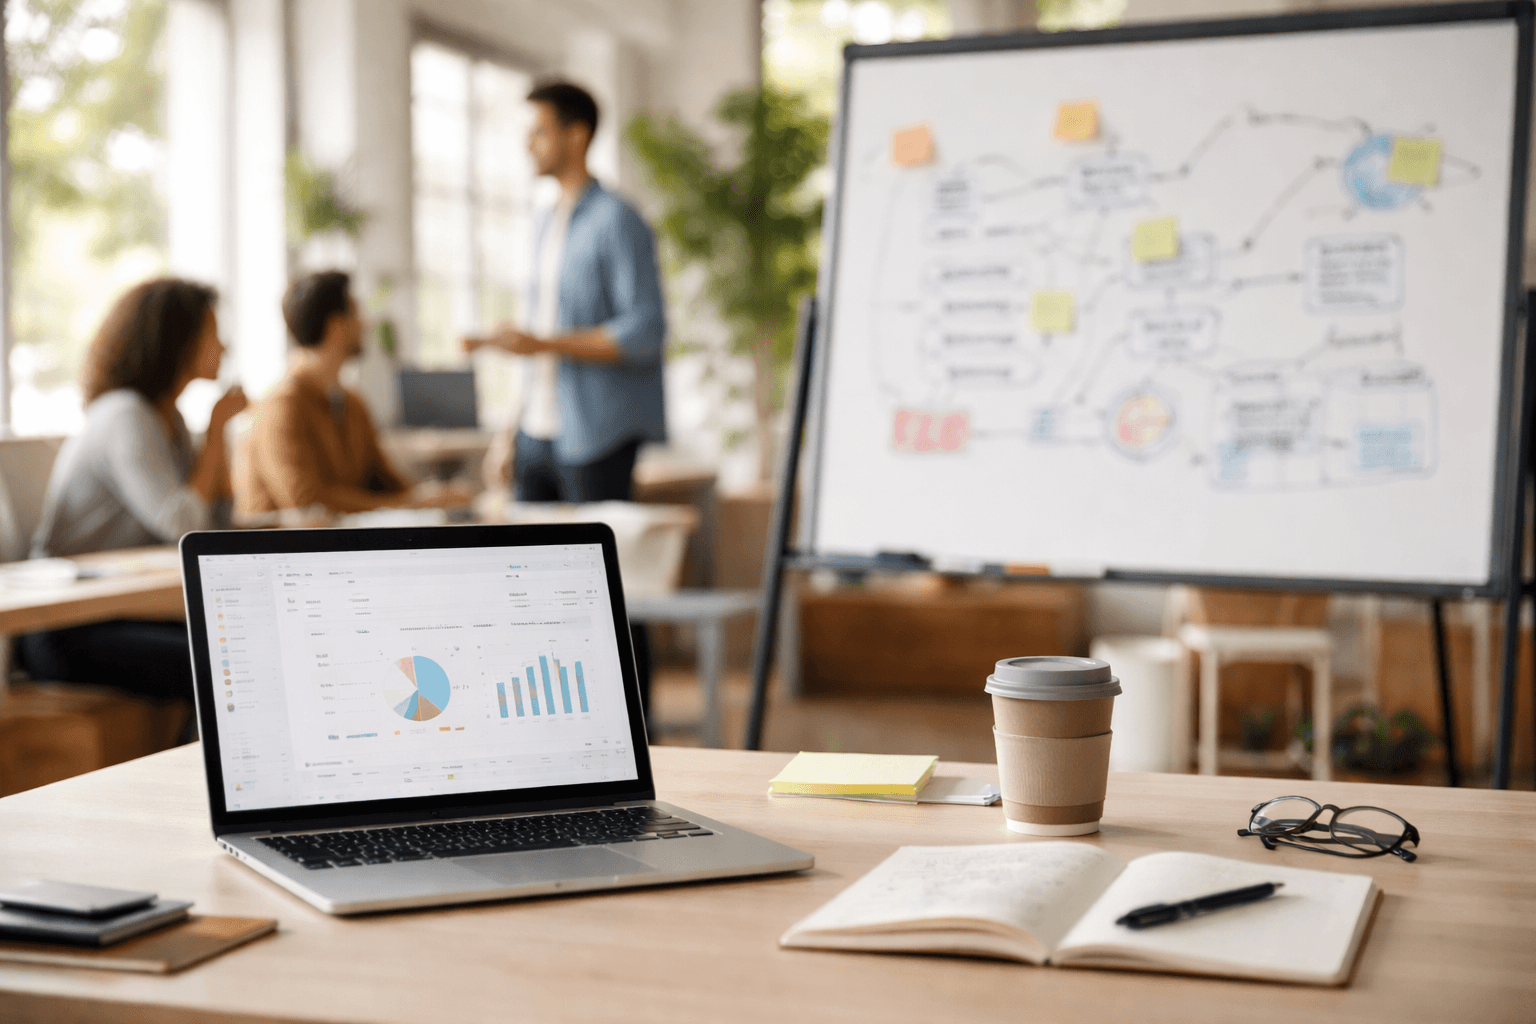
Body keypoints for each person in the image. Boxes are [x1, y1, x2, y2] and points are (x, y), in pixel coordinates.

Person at [463, 80, 667, 713]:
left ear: (577, 136)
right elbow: (535, 340)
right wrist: (509, 431)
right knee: (529, 590)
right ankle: (548, 722)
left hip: (597, 432)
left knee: (609, 592)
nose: (527, 143)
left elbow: (645, 330)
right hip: (537, 433)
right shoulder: (543, 221)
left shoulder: (618, 220)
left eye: (539, 131)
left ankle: (635, 723)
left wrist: (544, 343)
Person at [21, 277, 246, 709]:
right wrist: (217, 430)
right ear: (179, 341)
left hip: (123, 609)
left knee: (245, 641)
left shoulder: (170, 421)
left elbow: (214, 529)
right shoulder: (125, 416)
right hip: (66, 624)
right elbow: (182, 525)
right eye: (213, 332)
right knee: (224, 661)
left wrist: (218, 443)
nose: (224, 345)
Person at [238, 271, 446, 516]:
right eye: (356, 313)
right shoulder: (280, 407)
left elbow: (387, 483)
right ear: (336, 326)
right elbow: (308, 502)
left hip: (350, 537)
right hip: (292, 542)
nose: (366, 324)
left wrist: (434, 497)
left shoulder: (352, 403)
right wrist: (412, 504)